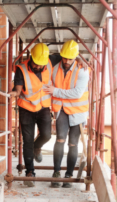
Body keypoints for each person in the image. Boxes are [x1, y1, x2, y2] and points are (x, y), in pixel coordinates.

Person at [12, 43, 60, 187]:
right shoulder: (21, 69)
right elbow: (18, 90)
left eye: (41, 64)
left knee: (47, 135)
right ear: (31, 57)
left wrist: (78, 60)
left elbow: (67, 57)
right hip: (26, 108)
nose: (39, 66)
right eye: (36, 64)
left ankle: (36, 147)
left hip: (44, 107)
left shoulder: (50, 60)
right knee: (27, 141)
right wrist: (13, 93)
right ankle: (30, 172)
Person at [43, 40, 89, 188]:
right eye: (65, 58)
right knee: (60, 139)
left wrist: (55, 91)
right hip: (61, 108)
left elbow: (77, 93)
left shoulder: (82, 70)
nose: (67, 61)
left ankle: (68, 175)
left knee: (73, 143)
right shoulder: (55, 64)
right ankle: (56, 173)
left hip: (78, 111)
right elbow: (42, 58)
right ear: (61, 55)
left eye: (71, 58)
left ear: (76, 57)